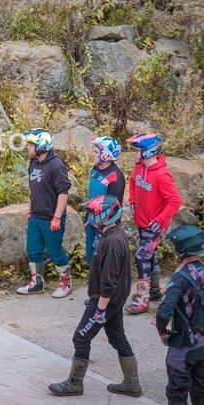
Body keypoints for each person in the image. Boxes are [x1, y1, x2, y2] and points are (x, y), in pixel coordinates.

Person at [49, 195, 141, 397]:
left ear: (105, 215)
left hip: (105, 300)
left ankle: (75, 383)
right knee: (117, 336)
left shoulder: (112, 242)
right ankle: (132, 383)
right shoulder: (113, 234)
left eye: (93, 212)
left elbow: (109, 281)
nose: (89, 215)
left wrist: (100, 309)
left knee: (81, 337)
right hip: (113, 300)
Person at [125, 132, 182, 314]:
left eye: (137, 151)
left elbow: (175, 201)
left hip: (156, 224)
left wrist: (159, 220)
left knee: (142, 255)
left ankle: (143, 298)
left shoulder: (162, 175)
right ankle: (155, 290)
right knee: (150, 255)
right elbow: (133, 183)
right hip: (142, 221)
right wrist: (133, 202)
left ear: (148, 152)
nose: (135, 154)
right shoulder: (139, 168)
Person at [17, 128, 73, 298]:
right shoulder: (33, 163)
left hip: (51, 219)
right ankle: (37, 283)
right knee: (33, 250)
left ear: (41, 146)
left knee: (55, 251)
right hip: (36, 217)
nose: (28, 147)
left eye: (31, 145)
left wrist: (57, 218)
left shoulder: (56, 165)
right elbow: (33, 189)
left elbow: (63, 193)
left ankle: (65, 283)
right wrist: (30, 209)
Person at [157, 224, 204, 405]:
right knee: (200, 390)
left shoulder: (180, 278)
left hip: (183, 346)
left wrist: (162, 331)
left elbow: (163, 312)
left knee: (177, 392)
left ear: (181, 251)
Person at [85, 136, 126, 264]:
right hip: (91, 221)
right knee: (90, 257)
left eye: (96, 152)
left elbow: (114, 207)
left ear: (106, 155)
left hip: (104, 226)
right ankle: (93, 283)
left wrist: (104, 229)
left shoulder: (115, 177)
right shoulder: (95, 169)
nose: (92, 155)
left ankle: (102, 283)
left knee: (101, 259)